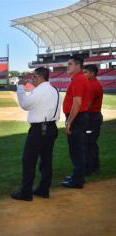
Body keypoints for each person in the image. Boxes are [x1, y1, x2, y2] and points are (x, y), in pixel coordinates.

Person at [11, 67, 60, 201]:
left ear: (40, 77)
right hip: (51, 128)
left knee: (29, 160)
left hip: (39, 130)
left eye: (34, 77)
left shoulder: (40, 90)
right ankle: (44, 189)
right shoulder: (54, 89)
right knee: (46, 161)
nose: (32, 79)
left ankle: (26, 192)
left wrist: (20, 87)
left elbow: (25, 104)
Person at [61, 55, 91, 189]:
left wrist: (69, 122)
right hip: (80, 117)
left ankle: (77, 180)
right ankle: (78, 176)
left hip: (77, 118)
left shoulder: (78, 79)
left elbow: (77, 103)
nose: (67, 66)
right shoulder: (78, 78)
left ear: (78, 66)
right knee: (78, 149)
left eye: (70, 64)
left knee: (76, 150)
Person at [83, 64, 103, 175]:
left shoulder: (92, 86)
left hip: (91, 117)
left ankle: (89, 168)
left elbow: (87, 105)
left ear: (92, 73)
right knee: (92, 142)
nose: (84, 74)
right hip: (94, 116)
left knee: (88, 142)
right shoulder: (93, 84)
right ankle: (94, 165)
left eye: (85, 72)